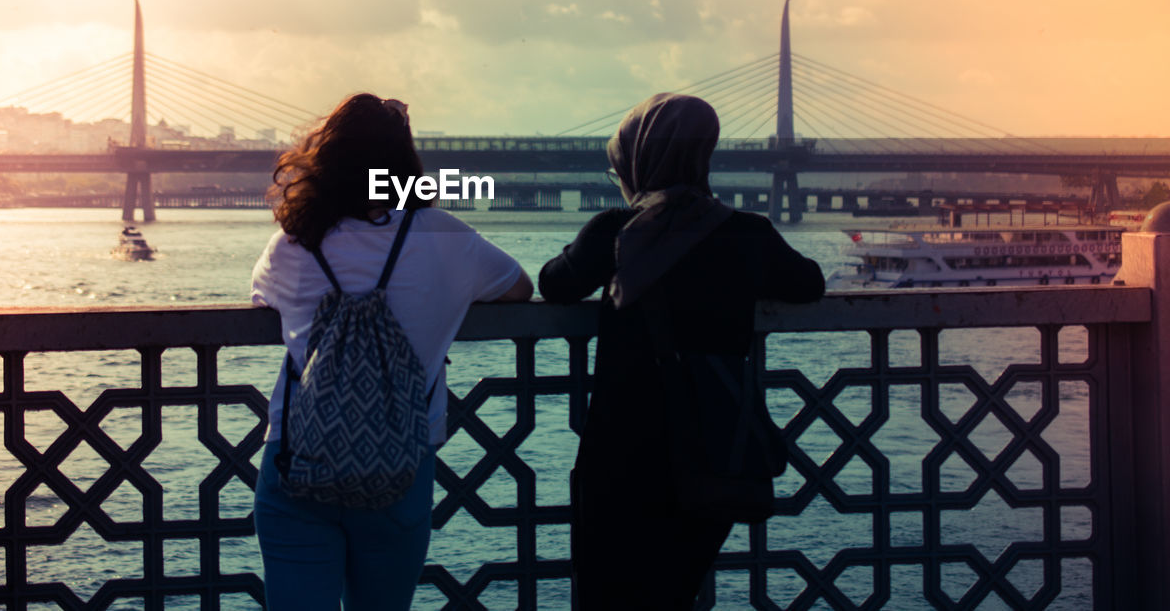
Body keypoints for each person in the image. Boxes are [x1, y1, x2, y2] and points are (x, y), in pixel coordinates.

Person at [538, 92, 824, 610]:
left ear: (638, 158)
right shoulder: (748, 235)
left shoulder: (615, 233)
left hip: (620, 459)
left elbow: (555, 284)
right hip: (711, 454)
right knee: (672, 593)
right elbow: (809, 283)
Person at [251, 93, 532, 611]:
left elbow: (263, 298)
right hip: (399, 466)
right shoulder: (448, 238)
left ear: (325, 160)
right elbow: (519, 287)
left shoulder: (291, 245)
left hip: (298, 462)